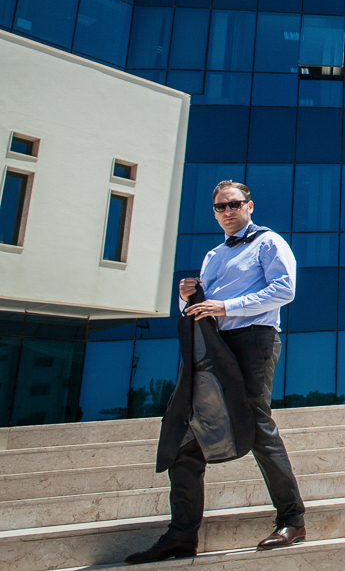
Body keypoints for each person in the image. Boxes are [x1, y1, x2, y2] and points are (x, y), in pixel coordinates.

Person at [127, 181, 305, 563]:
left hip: (254, 340)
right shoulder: (212, 255)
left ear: (249, 205)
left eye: (234, 205)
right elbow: (203, 310)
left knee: (256, 424)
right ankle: (181, 534)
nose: (227, 211)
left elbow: (285, 289)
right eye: (220, 207)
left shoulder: (269, 242)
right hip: (214, 346)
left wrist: (228, 306)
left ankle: (293, 519)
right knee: (186, 430)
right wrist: (186, 296)